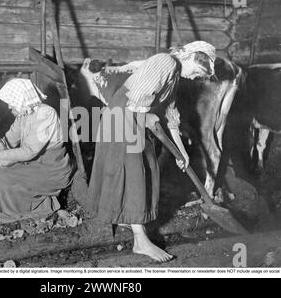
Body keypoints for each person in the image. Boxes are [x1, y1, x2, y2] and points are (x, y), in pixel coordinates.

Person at [88, 41, 216, 263]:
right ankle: (140, 240)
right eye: (197, 72)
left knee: (147, 168)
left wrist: (182, 152)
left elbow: (170, 114)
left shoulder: (175, 74)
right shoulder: (164, 62)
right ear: (191, 58)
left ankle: (127, 216)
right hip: (123, 116)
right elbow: (137, 96)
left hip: (135, 117)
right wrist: (147, 117)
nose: (195, 78)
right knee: (133, 171)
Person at [0, 78, 74, 223]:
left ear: (21, 99)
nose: (10, 108)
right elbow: (7, 141)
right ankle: (34, 203)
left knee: (4, 177)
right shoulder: (24, 115)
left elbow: (29, 151)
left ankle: (26, 211)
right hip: (34, 164)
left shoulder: (46, 114)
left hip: (51, 168)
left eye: (11, 103)